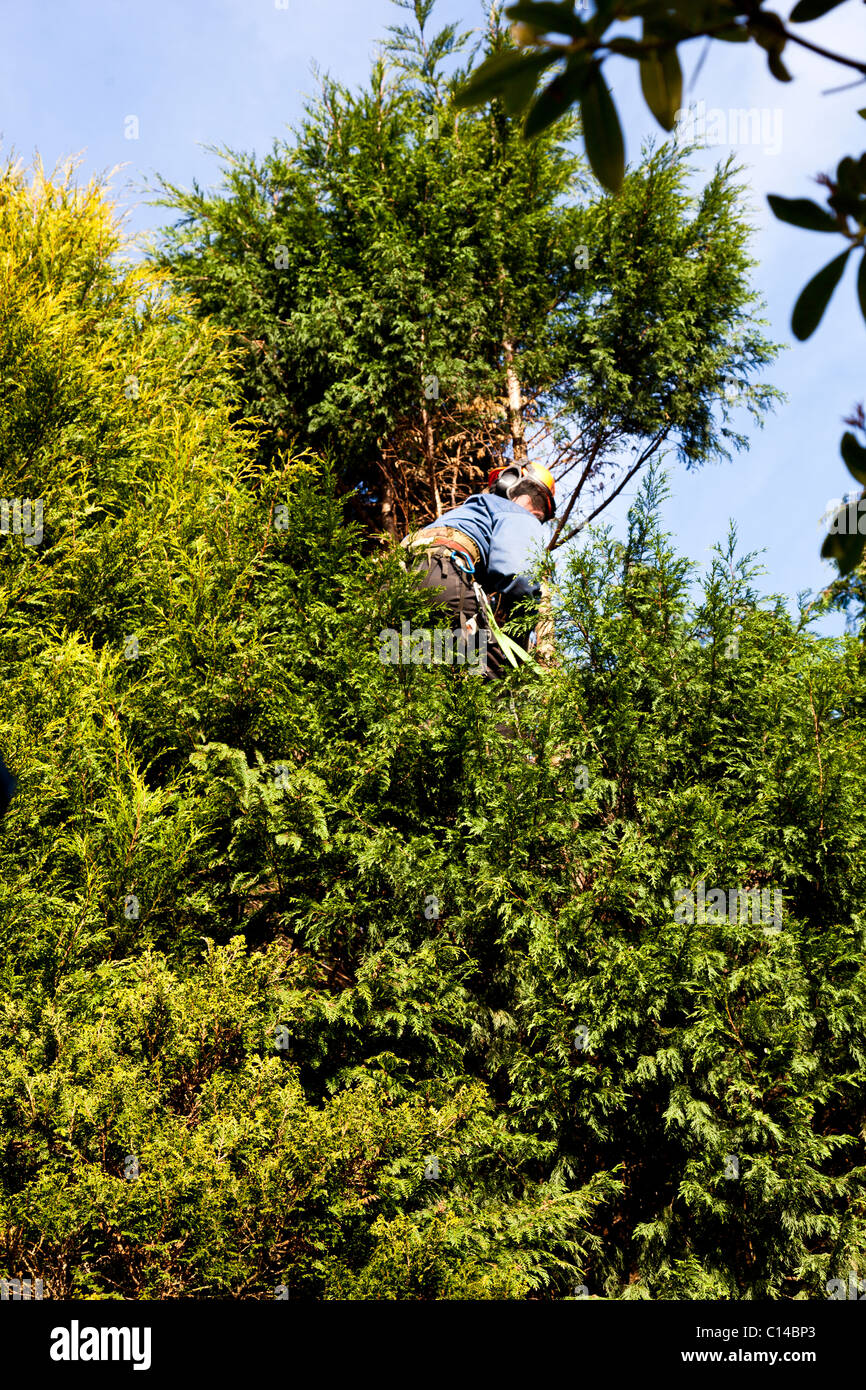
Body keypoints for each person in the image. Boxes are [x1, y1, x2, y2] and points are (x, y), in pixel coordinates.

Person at [401, 460, 556, 680]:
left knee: (416, 677)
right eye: (538, 498)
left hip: (400, 577)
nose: (539, 514)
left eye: (545, 513)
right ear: (510, 485)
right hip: (441, 573)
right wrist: (519, 637)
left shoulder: (470, 513)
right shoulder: (515, 512)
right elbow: (519, 577)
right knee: (492, 680)